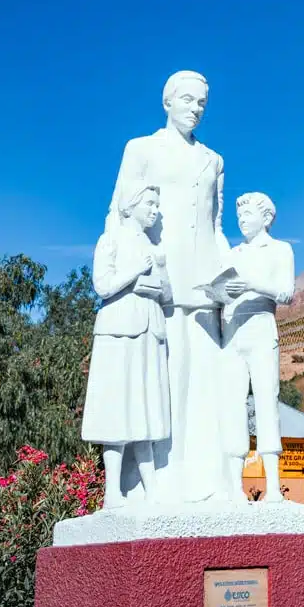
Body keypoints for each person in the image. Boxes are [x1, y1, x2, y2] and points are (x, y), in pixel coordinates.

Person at [108, 70, 232, 502]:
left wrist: (229, 271)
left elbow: (217, 226)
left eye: (202, 102)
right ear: (167, 102)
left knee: (204, 379)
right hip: (157, 284)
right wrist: (117, 272)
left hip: (203, 286)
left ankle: (207, 480)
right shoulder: (141, 150)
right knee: (158, 378)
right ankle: (153, 480)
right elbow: (119, 213)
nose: (196, 108)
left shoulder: (213, 160)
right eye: (188, 100)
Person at [82, 182, 171, 508]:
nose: (154, 209)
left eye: (156, 203)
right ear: (131, 205)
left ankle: (152, 489)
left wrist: (157, 276)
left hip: (150, 328)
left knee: (146, 408)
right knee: (116, 410)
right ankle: (112, 493)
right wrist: (136, 273)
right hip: (119, 328)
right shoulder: (111, 240)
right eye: (149, 202)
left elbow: (167, 294)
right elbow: (103, 285)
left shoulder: (155, 247)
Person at [220, 192, 295, 502]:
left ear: (265, 218)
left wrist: (251, 284)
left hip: (262, 328)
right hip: (232, 330)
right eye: (239, 216)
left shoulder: (280, 250)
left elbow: (287, 293)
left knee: (266, 402)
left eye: (248, 214)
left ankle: (274, 487)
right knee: (233, 404)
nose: (242, 220)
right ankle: (234, 486)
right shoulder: (232, 252)